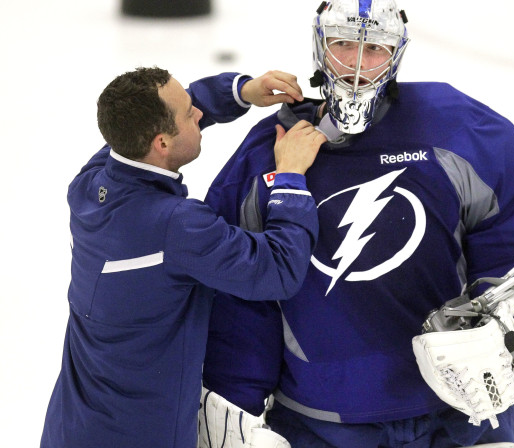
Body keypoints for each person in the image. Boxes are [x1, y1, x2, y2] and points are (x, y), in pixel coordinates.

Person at [201, 0, 514, 446]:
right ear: (319, 47)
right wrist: (233, 403)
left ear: (397, 53)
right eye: (343, 44)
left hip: (457, 415)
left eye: (375, 48)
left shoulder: (463, 131)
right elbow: (240, 296)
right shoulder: (268, 155)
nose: (358, 66)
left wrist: (509, 330)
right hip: (321, 423)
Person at [40, 66, 328, 448]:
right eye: (190, 111)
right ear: (161, 143)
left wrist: (242, 91)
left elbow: (176, 111)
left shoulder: (91, 184)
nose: (198, 112)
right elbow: (278, 269)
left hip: (71, 427)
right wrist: (290, 176)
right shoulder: (177, 227)